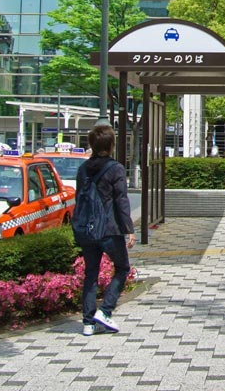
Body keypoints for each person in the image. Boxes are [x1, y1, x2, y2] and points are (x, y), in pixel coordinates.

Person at [79, 123, 135, 337]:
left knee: (91, 273)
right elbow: (121, 200)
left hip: (87, 229)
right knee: (122, 268)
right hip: (109, 229)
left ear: (92, 144)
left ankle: (88, 323)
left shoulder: (83, 169)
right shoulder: (116, 168)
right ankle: (105, 311)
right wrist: (129, 229)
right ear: (111, 145)